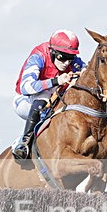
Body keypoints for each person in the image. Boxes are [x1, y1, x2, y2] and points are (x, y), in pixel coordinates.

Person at [11, 29, 85, 160]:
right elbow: (26, 87)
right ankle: (23, 144)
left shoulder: (70, 61)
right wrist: (57, 81)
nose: (67, 63)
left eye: (71, 58)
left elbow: (88, 72)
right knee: (43, 97)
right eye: (63, 57)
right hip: (26, 100)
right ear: (52, 51)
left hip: (54, 98)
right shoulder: (38, 56)